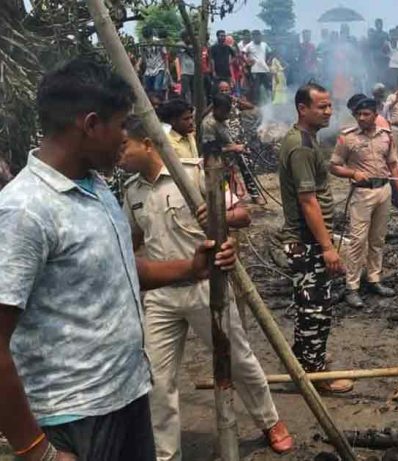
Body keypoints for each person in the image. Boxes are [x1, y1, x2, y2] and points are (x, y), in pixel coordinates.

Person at [0, 56, 236, 461]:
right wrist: (37, 451)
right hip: (73, 419)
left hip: (128, 396)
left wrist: (191, 268)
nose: (127, 137)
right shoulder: (24, 211)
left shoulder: (96, 187)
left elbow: (118, 269)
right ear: (91, 125)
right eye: (122, 124)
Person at [119, 115, 294, 460]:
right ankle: (165, 453)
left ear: (148, 143)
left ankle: (269, 420)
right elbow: (133, 240)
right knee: (156, 378)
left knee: (238, 359)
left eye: (125, 145)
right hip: (162, 295)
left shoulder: (193, 173)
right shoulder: (133, 192)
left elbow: (242, 215)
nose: (118, 153)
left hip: (205, 286)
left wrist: (219, 217)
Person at [278, 83, 353, 393]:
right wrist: (326, 247)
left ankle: (306, 358)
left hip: (311, 239)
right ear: (302, 108)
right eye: (321, 106)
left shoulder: (308, 140)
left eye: (329, 105)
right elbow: (308, 201)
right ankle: (315, 376)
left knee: (312, 305)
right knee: (316, 309)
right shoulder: (301, 147)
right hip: (308, 241)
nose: (329, 111)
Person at [330, 96, 398, 308]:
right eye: (358, 114)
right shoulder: (347, 138)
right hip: (362, 194)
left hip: (383, 190)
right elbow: (334, 166)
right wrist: (353, 173)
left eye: (366, 114)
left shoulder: (386, 136)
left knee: (377, 239)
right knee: (357, 241)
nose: (362, 118)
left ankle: (374, 279)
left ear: (376, 115)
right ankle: (352, 287)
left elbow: (393, 165)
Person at [243, 30, 272, 105]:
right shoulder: (249, 45)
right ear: (253, 37)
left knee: (268, 86)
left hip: (265, 69)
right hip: (255, 70)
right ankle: (256, 103)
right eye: (256, 36)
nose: (258, 38)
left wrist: (268, 62)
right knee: (256, 88)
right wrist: (247, 61)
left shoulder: (264, 44)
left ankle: (270, 102)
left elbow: (271, 53)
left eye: (259, 36)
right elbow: (242, 54)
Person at [140, 27, 168, 100]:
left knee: (157, 88)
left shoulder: (158, 42)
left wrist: (166, 68)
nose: (147, 39)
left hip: (159, 67)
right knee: (148, 88)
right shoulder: (142, 43)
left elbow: (165, 55)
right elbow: (143, 57)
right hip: (149, 69)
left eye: (148, 37)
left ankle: (159, 104)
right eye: (146, 37)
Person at [176, 34, 195, 103]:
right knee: (185, 90)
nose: (189, 38)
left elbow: (191, 52)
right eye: (188, 36)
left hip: (193, 71)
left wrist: (187, 48)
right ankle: (184, 104)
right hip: (184, 72)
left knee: (193, 90)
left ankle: (193, 105)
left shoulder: (193, 46)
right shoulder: (180, 44)